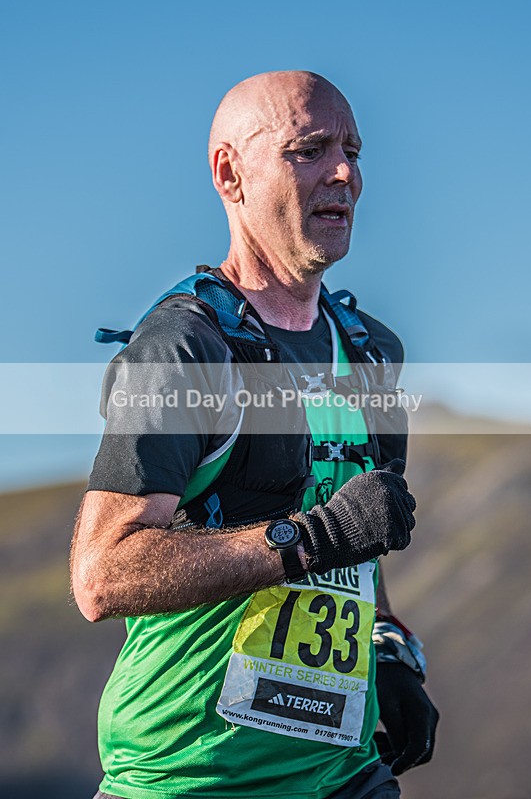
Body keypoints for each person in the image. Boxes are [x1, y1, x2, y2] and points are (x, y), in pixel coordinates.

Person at [71, 70, 438, 799]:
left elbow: (354, 524)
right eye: (309, 149)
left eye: (354, 150)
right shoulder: (186, 347)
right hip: (187, 780)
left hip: (343, 776)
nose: (345, 172)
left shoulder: (371, 353)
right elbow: (102, 574)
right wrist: (308, 539)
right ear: (229, 173)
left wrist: (388, 645)